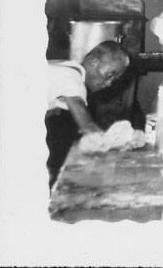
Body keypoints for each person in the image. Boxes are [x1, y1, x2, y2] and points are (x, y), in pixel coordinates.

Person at [46, 40, 130, 188]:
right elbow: (88, 127)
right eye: (110, 74)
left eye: (115, 79)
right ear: (92, 62)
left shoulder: (68, 68)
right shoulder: (71, 77)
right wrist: (120, 141)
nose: (110, 84)